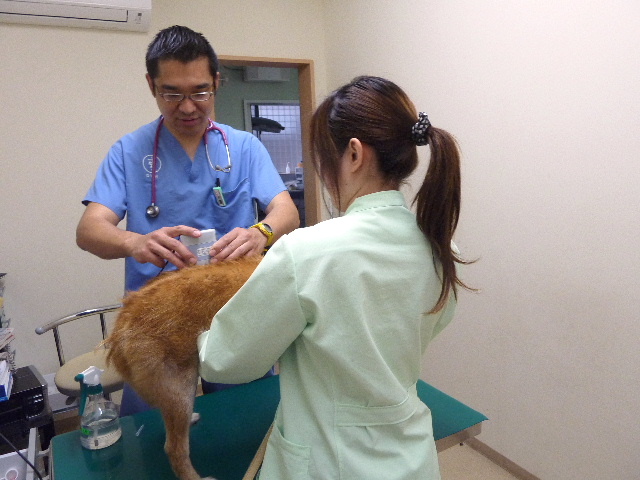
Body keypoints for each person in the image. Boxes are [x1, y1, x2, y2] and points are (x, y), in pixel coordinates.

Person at [198, 76, 473, 479]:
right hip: (411, 458)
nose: (324, 174)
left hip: (326, 465)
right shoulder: (444, 251)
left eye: (324, 160)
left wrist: (199, 325)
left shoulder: (305, 252)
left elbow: (223, 361)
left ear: (354, 154)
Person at [76, 25, 300, 415]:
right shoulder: (128, 152)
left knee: (245, 417)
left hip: (232, 310)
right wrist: (135, 242)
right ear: (151, 85)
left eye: (200, 92)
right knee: (152, 427)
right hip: (159, 318)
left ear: (217, 82)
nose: (187, 107)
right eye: (172, 93)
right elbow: (89, 230)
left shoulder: (244, 147)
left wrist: (261, 232)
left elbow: (287, 211)